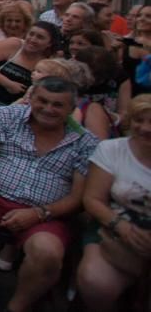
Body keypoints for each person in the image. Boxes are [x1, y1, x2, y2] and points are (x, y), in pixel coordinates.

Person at [0, 77, 99, 312]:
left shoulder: (85, 142)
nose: (48, 109)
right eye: (42, 101)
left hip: (48, 210)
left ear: (71, 108)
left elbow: (78, 198)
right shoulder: (7, 116)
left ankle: (17, 305)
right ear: (32, 98)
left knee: (47, 254)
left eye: (57, 105)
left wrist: (39, 213)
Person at [76, 94, 151, 309]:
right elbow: (92, 199)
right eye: (139, 120)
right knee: (96, 282)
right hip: (113, 226)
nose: (145, 128)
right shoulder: (112, 150)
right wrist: (122, 227)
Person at [0, 22, 58, 105]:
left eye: (40, 37)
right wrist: (8, 83)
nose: (33, 39)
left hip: (9, 108)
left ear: (49, 43)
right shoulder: (14, 45)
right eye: (31, 34)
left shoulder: (46, 63)